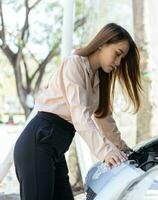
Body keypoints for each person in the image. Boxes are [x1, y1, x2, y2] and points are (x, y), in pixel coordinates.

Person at [13, 23, 142, 200]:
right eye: (118, 54)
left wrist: (125, 151)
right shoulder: (74, 64)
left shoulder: (99, 79)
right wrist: (106, 152)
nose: (119, 62)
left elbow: (105, 119)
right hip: (38, 142)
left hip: (55, 149)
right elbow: (80, 116)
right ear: (102, 44)